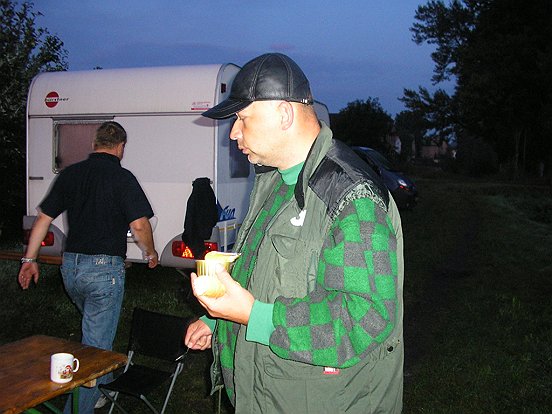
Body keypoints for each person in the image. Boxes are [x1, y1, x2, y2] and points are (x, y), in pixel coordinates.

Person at [184, 53, 404, 413]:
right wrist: (220, 316)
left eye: (242, 118)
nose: (233, 133)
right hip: (265, 394)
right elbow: (261, 269)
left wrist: (253, 316)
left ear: (284, 114)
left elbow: (363, 319)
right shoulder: (274, 180)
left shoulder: (350, 196)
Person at [18, 121, 158, 413]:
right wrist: (150, 252)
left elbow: (43, 219)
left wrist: (29, 261)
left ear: (95, 144)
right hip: (103, 273)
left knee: (95, 331)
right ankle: (81, 404)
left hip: (71, 269)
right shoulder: (122, 178)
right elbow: (139, 225)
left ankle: (102, 385)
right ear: (121, 147)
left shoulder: (71, 174)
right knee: (95, 349)